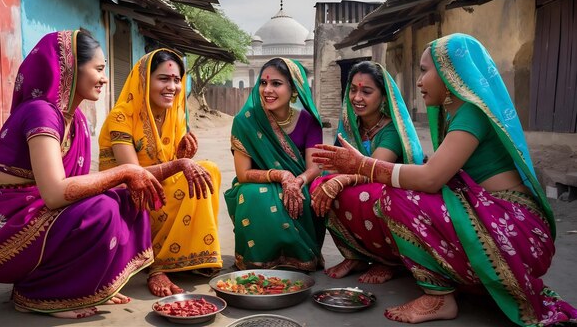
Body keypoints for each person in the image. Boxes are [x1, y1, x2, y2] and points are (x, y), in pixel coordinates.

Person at [312, 33, 577, 325]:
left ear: (451, 72)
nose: (418, 81)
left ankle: (439, 296)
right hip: (499, 218)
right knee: (399, 192)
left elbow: (430, 179)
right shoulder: (456, 116)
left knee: (397, 197)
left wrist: (362, 165)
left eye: (425, 70)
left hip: (517, 230)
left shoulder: (472, 114)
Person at [0, 30, 162, 319]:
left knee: (129, 199)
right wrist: (124, 171)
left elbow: (79, 190)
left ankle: (91, 286)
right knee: (103, 209)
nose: (105, 78)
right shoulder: (41, 113)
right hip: (2, 232)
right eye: (98, 69)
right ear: (70, 68)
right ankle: (41, 294)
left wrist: (170, 167)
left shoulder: (78, 120)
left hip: (38, 215)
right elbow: (57, 193)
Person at [98, 48, 221, 297]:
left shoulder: (174, 114)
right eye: (163, 79)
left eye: (177, 80)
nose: (172, 87)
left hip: (157, 189)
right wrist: (179, 165)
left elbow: (169, 165)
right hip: (127, 195)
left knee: (209, 170)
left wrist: (183, 158)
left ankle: (189, 255)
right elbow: (130, 174)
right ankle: (158, 264)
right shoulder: (121, 116)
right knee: (188, 175)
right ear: (145, 80)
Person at [309, 61, 424, 283]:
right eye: (353, 90)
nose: (357, 97)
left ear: (383, 97)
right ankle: (355, 255)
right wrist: (330, 179)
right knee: (320, 185)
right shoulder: (351, 126)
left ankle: (390, 261)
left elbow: (376, 169)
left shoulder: (391, 130)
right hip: (359, 187)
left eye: (366, 91)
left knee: (367, 194)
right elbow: (335, 167)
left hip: (387, 191)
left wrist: (340, 181)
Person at [224, 57, 325, 271]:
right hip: (259, 181)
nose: (267, 90)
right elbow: (243, 174)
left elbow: (315, 167)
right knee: (253, 194)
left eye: (276, 84)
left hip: (299, 182)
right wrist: (281, 175)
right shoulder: (246, 121)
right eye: (263, 83)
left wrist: (297, 180)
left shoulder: (308, 121)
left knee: (313, 192)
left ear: (294, 89)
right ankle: (259, 258)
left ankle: (297, 257)